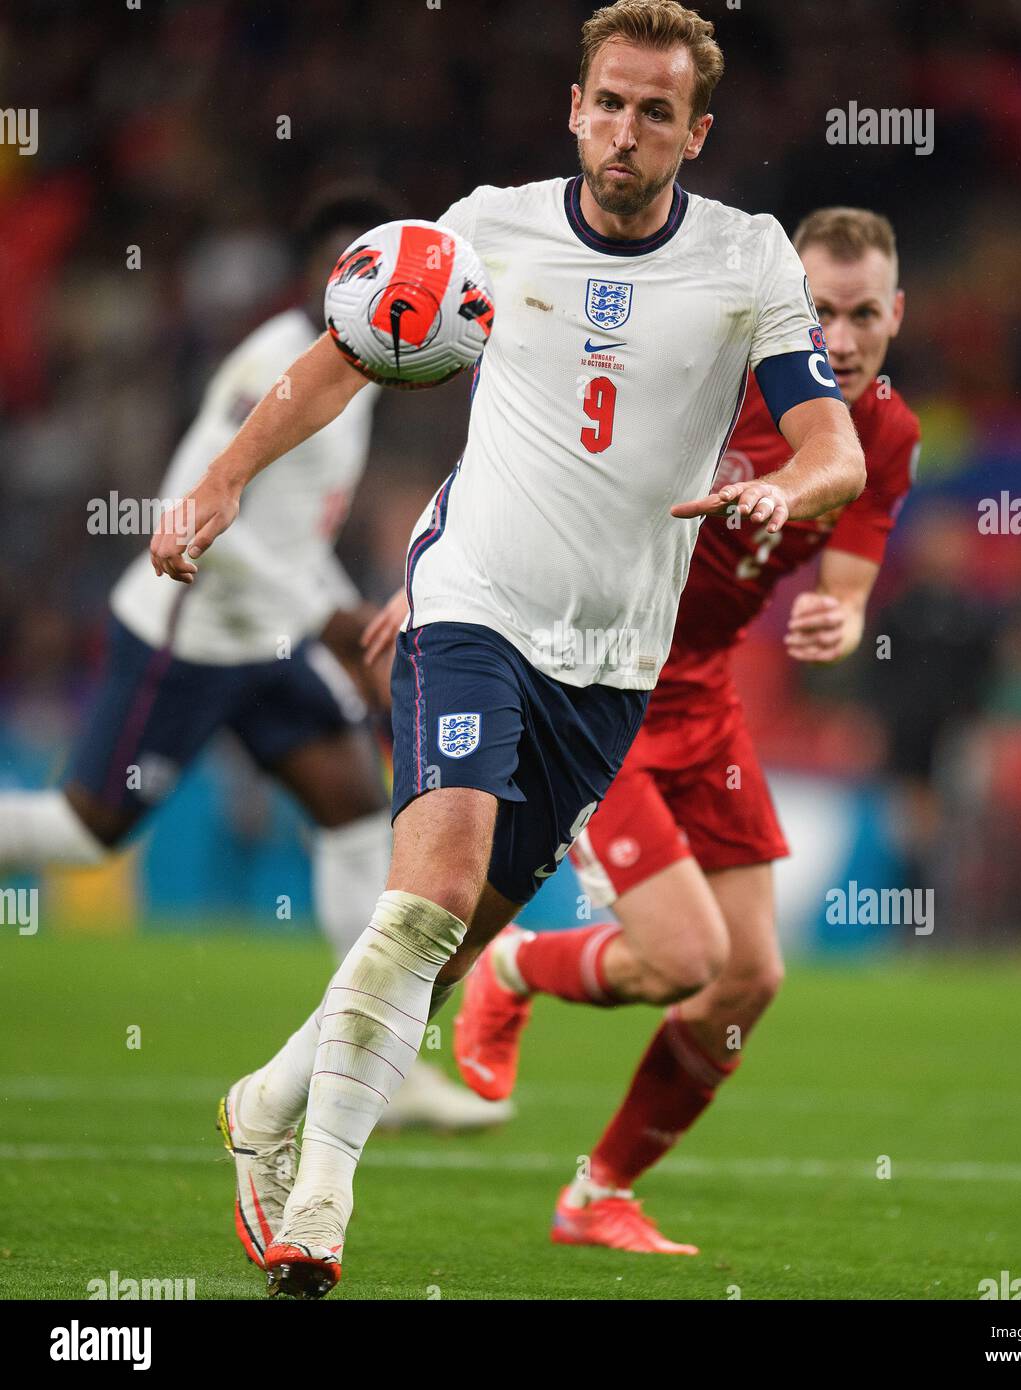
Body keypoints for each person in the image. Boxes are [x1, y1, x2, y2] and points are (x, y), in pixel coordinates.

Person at [151, 0, 865, 1298]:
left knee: (441, 948)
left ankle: (264, 1096)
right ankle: (317, 1203)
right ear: (574, 107)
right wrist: (222, 480)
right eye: (609, 101)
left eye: (658, 111)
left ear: (695, 131)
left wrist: (787, 490)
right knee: (424, 899)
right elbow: (339, 356)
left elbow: (836, 446)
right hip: (471, 599)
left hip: (611, 663)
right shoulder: (484, 224)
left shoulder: (748, 259)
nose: (627, 130)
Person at [0, 186, 511, 1151]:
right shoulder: (279, 364)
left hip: (265, 641)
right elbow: (201, 518)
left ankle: (373, 1065)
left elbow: (290, 529)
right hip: (187, 635)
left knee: (357, 811)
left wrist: (336, 617)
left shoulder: (356, 374)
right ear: (345, 285)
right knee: (83, 832)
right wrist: (330, 618)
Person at [451, 206, 920, 1254]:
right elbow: (544, 453)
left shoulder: (882, 434)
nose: (838, 340)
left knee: (750, 978)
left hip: (703, 697)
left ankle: (599, 1190)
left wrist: (840, 621)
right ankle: (512, 967)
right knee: (678, 957)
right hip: (598, 683)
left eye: (861, 317)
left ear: (896, 315)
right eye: (820, 313)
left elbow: (846, 586)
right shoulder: (716, 377)